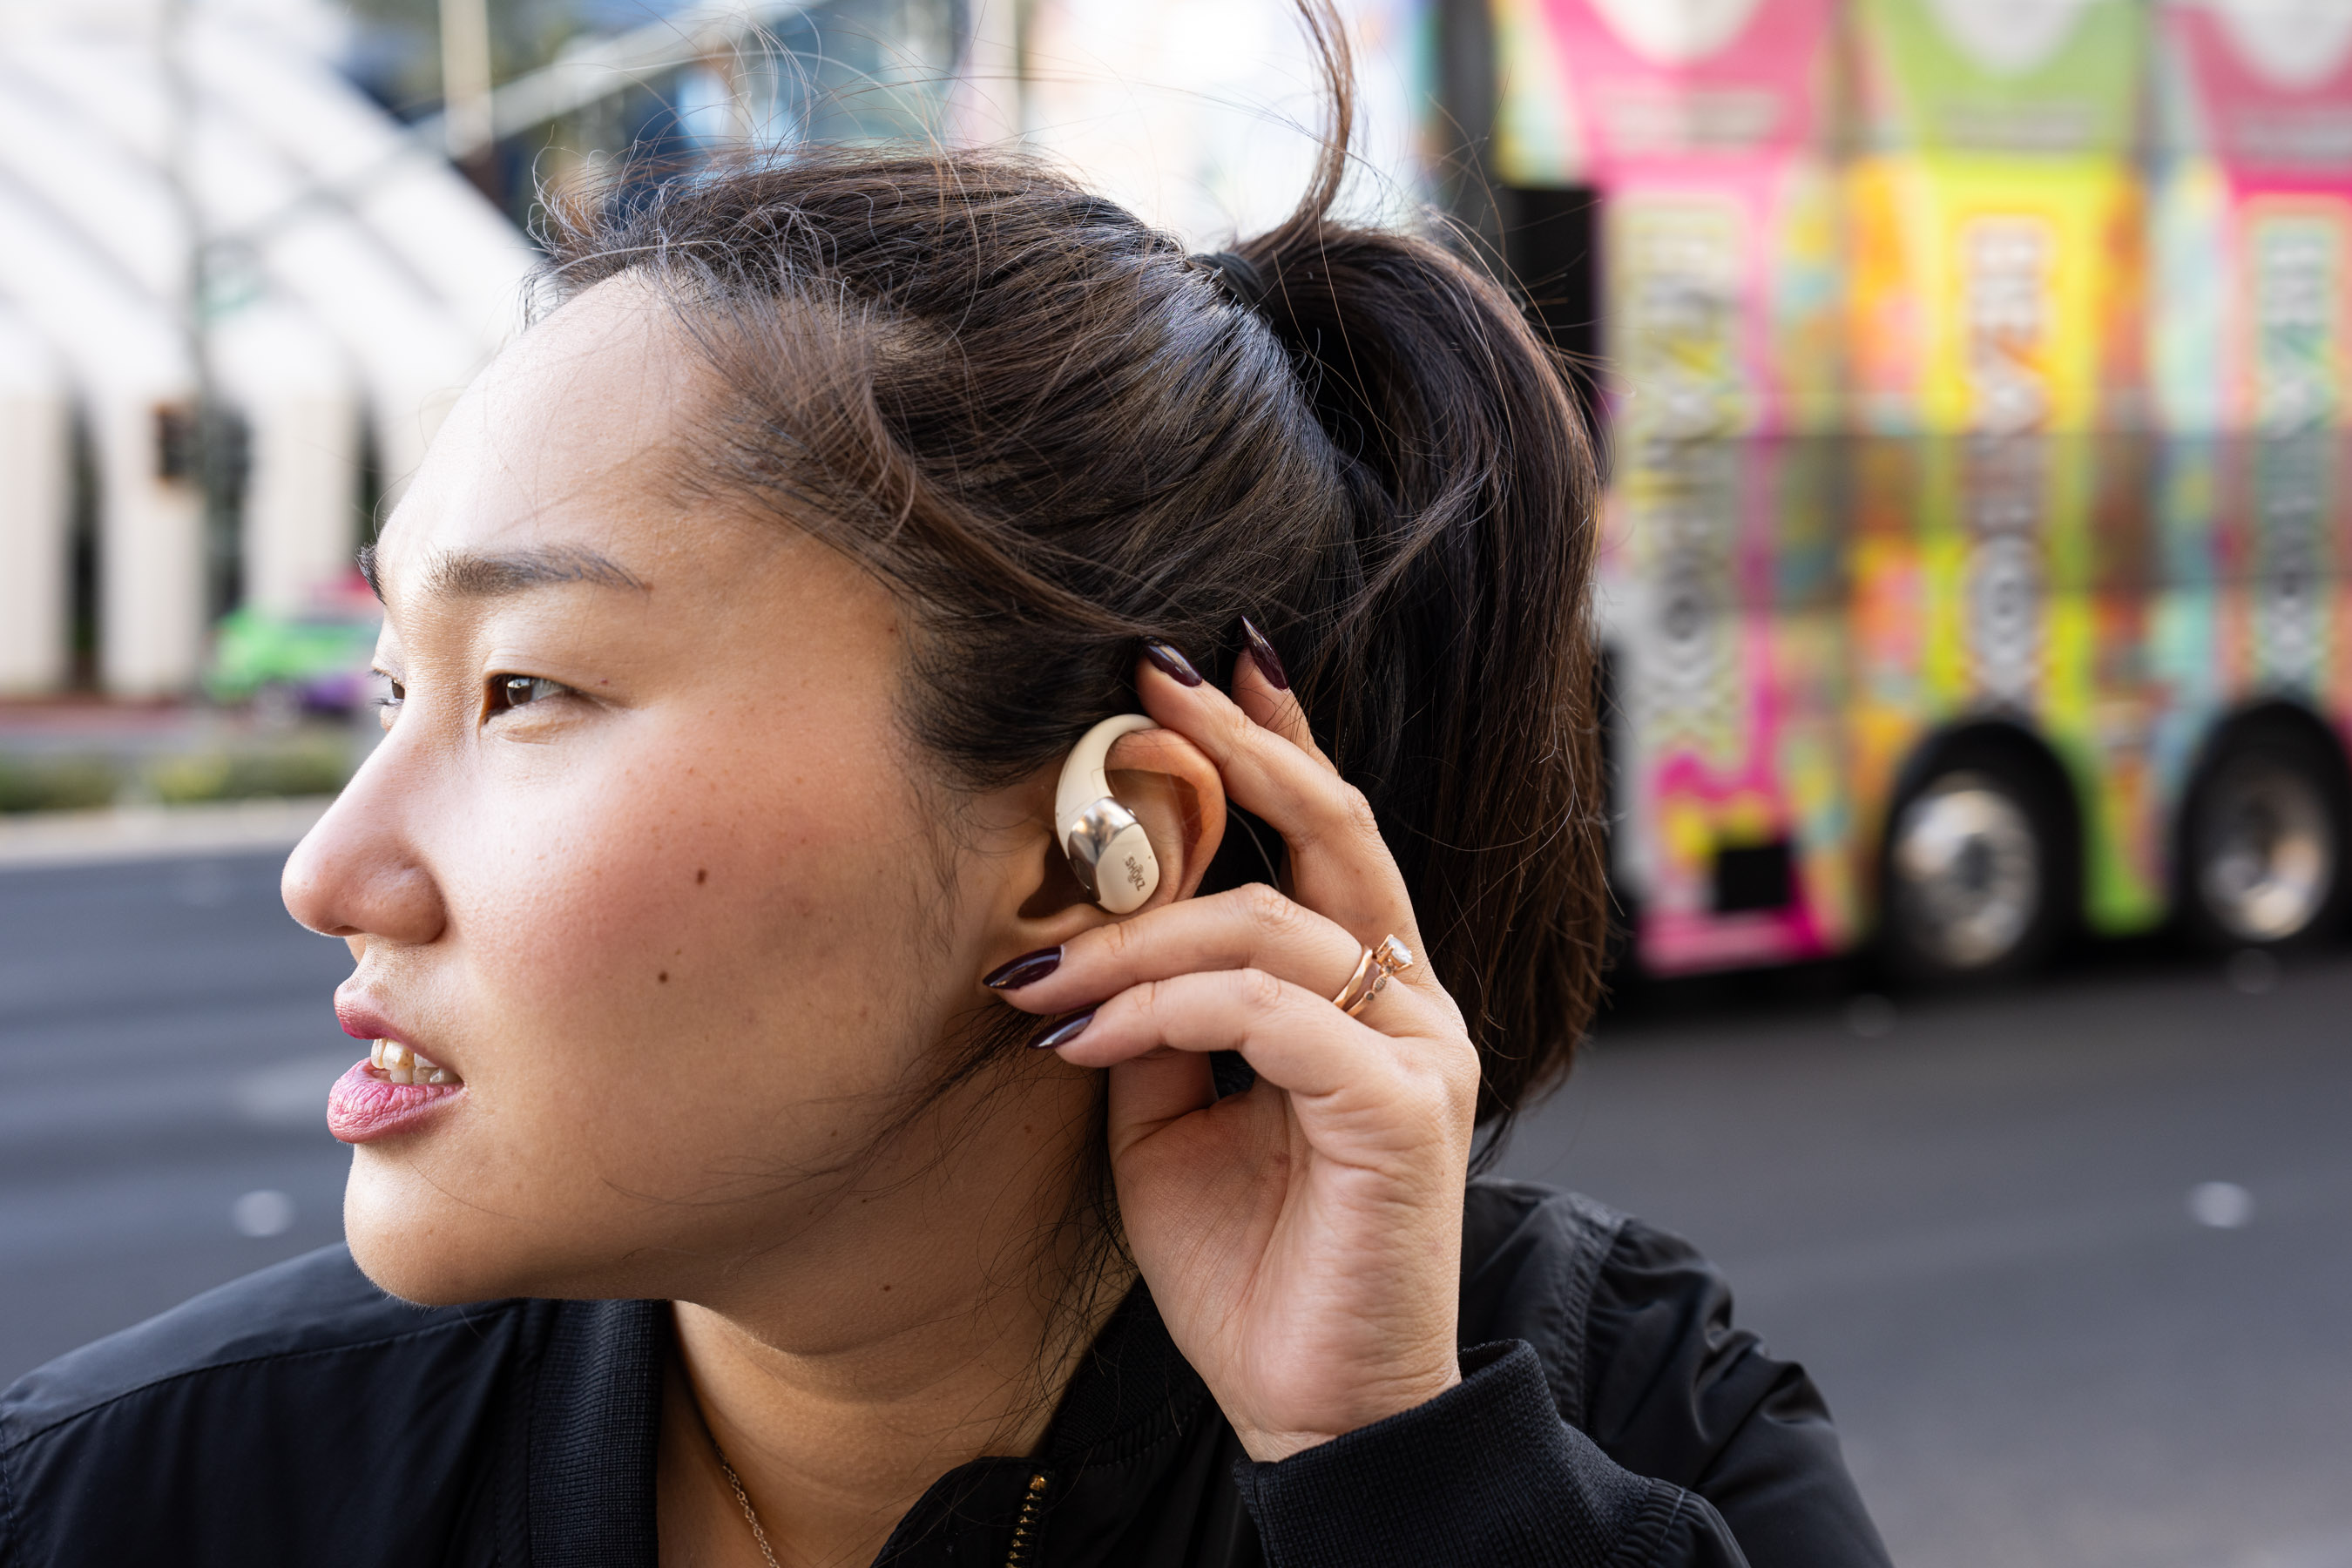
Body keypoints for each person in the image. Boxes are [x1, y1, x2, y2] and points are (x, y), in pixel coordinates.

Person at [0, 15, 1889, 1566]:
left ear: (1096, 848)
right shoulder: (132, 1499)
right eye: (391, 688)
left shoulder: (1621, 1430)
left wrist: (1393, 1475)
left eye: (525, 689)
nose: (330, 868)